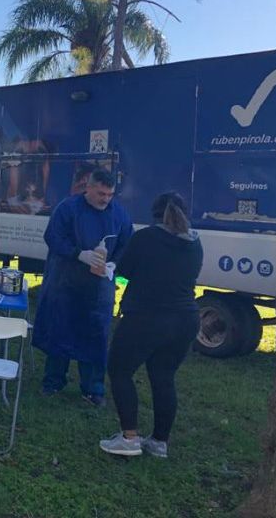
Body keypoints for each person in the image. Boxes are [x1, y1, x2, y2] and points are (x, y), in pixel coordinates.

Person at [99, 192, 203, 458]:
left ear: (154, 213)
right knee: (164, 377)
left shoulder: (145, 238)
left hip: (147, 316)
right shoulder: (195, 243)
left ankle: (129, 438)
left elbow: (124, 270)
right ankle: (159, 442)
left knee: (120, 370)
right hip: (185, 319)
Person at [32, 168, 133, 406]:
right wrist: (79, 254)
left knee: (95, 334)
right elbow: (53, 238)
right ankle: (53, 381)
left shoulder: (118, 214)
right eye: (100, 193)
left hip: (98, 289)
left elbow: (127, 242)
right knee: (61, 329)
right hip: (65, 281)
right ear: (88, 187)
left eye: (110, 195)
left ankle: (93, 388)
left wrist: (113, 264)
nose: (105, 199)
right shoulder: (68, 209)